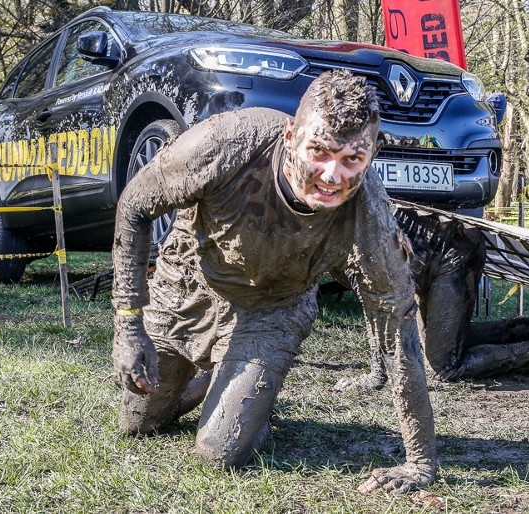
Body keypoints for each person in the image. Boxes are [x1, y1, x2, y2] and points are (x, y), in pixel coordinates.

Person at [110, 70, 435, 494]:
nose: (332, 176)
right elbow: (135, 205)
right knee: (139, 423)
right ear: (290, 137)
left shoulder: (368, 215)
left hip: (272, 308)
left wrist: (420, 462)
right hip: (188, 281)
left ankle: (245, 397)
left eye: (352, 160)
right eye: (319, 151)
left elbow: (399, 327)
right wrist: (128, 326)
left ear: (372, 155)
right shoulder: (224, 144)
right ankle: (214, 382)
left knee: (220, 452)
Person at [333, 204, 529, 390]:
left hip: (452, 253)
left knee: (443, 367)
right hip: (440, 252)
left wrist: (378, 374)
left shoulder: (342, 237)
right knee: (447, 343)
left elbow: (376, 308)